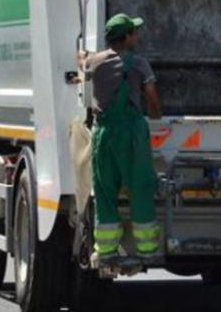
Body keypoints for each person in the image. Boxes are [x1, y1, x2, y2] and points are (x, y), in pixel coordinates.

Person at [81, 13, 163, 265]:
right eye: (133, 32)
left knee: (104, 190)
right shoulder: (139, 64)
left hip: (104, 134)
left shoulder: (93, 63)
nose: (136, 36)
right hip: (131, 133)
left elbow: (82, 69)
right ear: (126, 36)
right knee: (140, 187)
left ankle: (106, 251)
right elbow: (151, 95)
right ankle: (146, 249)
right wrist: (156, 115)